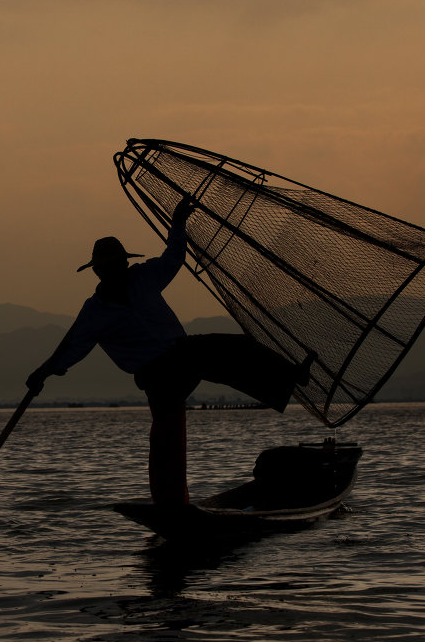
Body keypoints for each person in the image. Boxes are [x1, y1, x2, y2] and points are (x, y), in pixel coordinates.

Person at [26, 197, 313, 506]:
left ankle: (289, 377)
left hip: (182, 353)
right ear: (99, 272)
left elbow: (174, 256)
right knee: (167, 435)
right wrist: (42, 373)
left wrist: (177, 224)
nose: (117, 270)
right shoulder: (94, 311)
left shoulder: (143, 277)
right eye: (110, 268)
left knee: (237, 349)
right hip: (156, 375)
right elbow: (71, 348)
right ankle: (171, 503)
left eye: (119, 265)